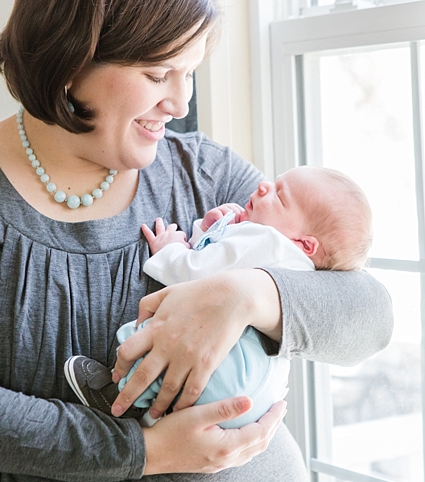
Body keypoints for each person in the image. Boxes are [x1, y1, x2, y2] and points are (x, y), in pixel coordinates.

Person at [0, 0, 393, 482]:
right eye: (159, 72)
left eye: (190, 72)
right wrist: (140, 452)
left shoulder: (203, 176)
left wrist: (246, 295)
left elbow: (368, 314)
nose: (180, 103)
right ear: (70, 59)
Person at [64, 165, 373, 429]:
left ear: (305, 245)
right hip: (258, 388)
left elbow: (197, 277)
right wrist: (211, 230)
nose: (264, 186)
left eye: (279, 195)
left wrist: (171, 249)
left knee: (150, 335)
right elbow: (220, 263)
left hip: (228, 370)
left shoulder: (267, 240)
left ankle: (121, 397)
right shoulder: (291, 258)